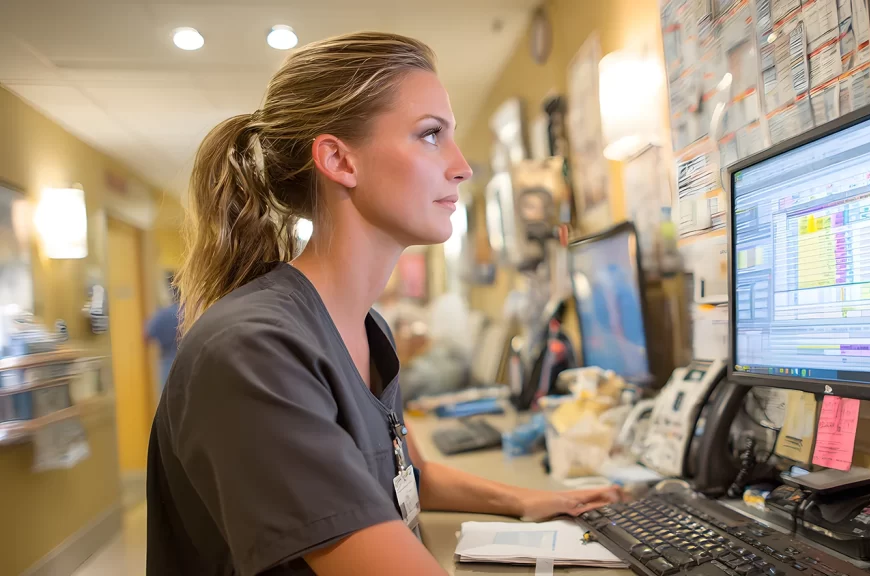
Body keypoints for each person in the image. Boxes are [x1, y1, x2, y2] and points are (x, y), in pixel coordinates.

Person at [146, 32, 621, 576]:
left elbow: (405, 475)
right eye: (430, 135)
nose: (462, 166)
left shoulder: (365, 326)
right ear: (339, 161)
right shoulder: (254, 349)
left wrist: (523, 500)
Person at [144, 274, 180, 391]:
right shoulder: (190, 313)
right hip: (189, 363)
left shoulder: (162, 315)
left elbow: (146, 336)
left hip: (167, 364)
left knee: (168, 401)